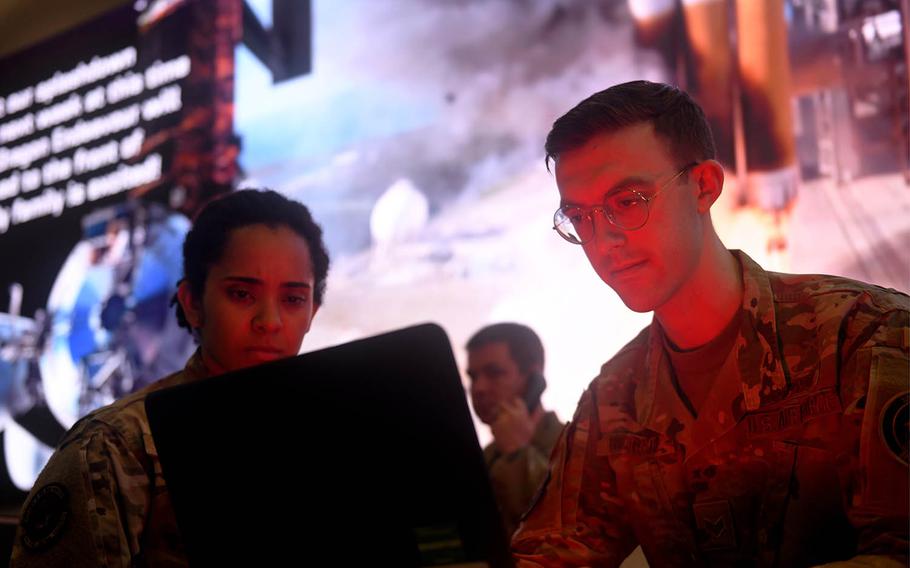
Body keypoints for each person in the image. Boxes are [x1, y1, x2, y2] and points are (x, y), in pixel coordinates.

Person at [512, 80, 909, 566]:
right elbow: (549, 552)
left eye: (628, 202)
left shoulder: (864, 338)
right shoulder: (614, 400)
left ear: (703, 186)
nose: (603, 241)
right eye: (580, 217)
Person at [10, 189, 330, 567]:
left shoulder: (337, 429)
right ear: (192, 303)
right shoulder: (109, 447)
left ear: (312, 311)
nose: (270, 322)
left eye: (293, 299)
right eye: (242, 294)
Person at [466, 323, 563, 538]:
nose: (479, 388)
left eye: (494, 373)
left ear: (533, 379)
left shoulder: (578, 444)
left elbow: (561, 525)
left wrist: (518, 453)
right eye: (473, 377)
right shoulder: (486, 458)